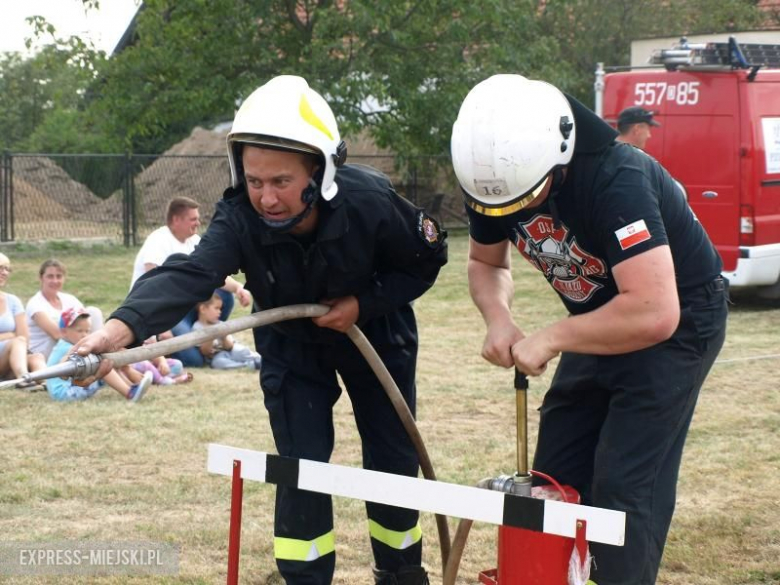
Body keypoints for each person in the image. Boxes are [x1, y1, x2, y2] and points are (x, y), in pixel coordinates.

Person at [74, 75, 447, 585]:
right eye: (254, 181)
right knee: (301, 468)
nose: (266, 198)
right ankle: (304, 578)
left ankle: (401, 571)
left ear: (321, 171)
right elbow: (191, 275)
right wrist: (115, 333)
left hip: (376, 340)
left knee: (392, 462)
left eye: (280, 182)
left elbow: (427, 260)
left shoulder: (371, 202)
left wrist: (363, 303)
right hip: (293, 350)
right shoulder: (237, 218)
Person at [450, 74, 727, 585]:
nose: (515, 214)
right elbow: (486, 263)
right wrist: (499, 318)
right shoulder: (494, 177)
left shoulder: (616, 177)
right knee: (554, 475)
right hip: (601, 314)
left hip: (679, 318)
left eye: (526, 200)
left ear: (559, 158)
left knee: (624, 482)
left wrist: (552, 337)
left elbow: (653, 311)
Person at [130, 196, 253, 366]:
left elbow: (212, 273)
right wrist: (163, 328)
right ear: (176, 220)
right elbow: (154, 287)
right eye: (193, 219)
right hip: (164, 311)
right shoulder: (158, 241)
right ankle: (175, 349)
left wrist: (238, 288)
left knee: (225, 296)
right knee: (195, 360)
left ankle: (211, 338)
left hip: (185, 305)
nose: (198, 223)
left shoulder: (193, 240)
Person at [46, 308, 152, 402]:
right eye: (79, 331)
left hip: (67, 389)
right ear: (64, 332)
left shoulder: (66, 345)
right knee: (101, 364)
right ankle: (129, 392)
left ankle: (131, 387)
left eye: (87, 331)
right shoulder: (66, 347)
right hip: (65, 393)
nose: (84, 335)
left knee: (106, 363)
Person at [25, 259, 104, 359]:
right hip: (48, 353)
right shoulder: (35, 304)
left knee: (93, 311)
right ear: (41, 278)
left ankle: (99, 350)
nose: (55, 281)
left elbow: (85, 323)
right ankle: (94, 353)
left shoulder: (69, 299)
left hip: (72, 346)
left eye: (59, 276)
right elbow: (57, 334)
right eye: (50, 276)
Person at [0, 253, 47, 390]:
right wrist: (9, 335)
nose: (4, 272)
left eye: (7, 269)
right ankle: (24, 379)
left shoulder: (12, 301)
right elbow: (17, 338)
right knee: (17, 341)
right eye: (0, 268)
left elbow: (24, 338)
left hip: (9, 358)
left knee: (36, 357)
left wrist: (13, 337)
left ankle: (46, 383)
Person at [192, 294, 262, 370]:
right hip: (217, 356)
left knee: (241, 351)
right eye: (216, 308)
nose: (219, 312)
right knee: (218, 363)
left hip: (231, 351)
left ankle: (260, 360)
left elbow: (229, 347)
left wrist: (224, 337)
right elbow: (205, 352)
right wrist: (211, 336)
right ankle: (248, 365)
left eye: (220, 309)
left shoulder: (220, 324)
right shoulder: (197, 328)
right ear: (203, 309)